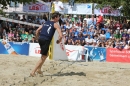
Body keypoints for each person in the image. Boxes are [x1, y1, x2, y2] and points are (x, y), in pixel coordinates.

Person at [30, 12, 63, 77]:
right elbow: (61, 36)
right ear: (55, 17)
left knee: (46, 54)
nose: (59, 18)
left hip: (40, 39)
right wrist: (59, 41)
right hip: (46, 40)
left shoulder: (45, 22)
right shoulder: (55, 24)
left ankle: (39, 69)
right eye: (58, 17)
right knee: (43, 57)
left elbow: (37, 30)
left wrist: (37, 37)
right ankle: (33, 71)